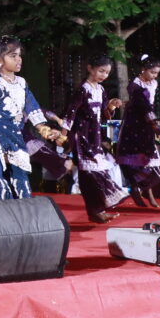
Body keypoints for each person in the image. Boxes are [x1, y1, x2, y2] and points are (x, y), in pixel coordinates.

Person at [0, 35, 57, 201]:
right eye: (13, 56)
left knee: (20, 173)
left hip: (14, 134)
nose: (19, 59)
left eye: (19, 55)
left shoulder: (22, 83)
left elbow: (31, 105)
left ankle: (22, 211)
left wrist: (43, 128)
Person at [59, 54, 128, 223]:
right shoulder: (83, 89)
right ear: (90, 68)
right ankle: (97, 209)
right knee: (90, 173)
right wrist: (63, 135)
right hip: (81, 137)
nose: (104, 75)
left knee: (90, 174)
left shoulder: (101, 90)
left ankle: (96, 211)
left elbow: (104, 114)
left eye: (107, 73)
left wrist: (111, 106)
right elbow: (71, 113)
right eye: (101, 71)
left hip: (94, 136)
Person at [116, 55, 160, 208]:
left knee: (150, 161)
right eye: (152, 72)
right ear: (143, 69)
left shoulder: (153, 83)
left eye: (157, 73)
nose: (154, 76)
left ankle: (147, 193)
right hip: (135, 123)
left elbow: (147, 104)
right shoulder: (135, 85)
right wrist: (154, 124)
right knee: (135, 160)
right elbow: (143, 104)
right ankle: (136, 190)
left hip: (146, 122)